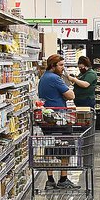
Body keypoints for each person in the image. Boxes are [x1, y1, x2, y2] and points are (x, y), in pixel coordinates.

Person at [37, 54, 75, 189]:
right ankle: (63, 179)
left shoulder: (43, 78)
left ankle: (50, 180)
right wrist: (68, 86)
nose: (63, 68)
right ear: (53, 66)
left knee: (50, 148)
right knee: (65, 148)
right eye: (61, 65)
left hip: (47, 117)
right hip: (59, 118)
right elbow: (71, 95)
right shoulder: (55, 78)